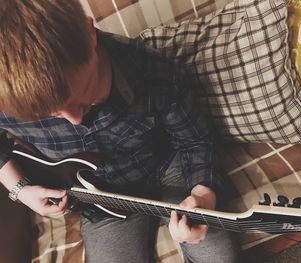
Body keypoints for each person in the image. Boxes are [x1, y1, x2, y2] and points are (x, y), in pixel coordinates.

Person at [0, 1, 238, 262]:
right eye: (53, 115)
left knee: (218, 256)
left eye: (84, 94)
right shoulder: (8, 101)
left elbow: (195, 141)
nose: (77, 119)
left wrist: (203, 194)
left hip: (168, 165)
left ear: (90, 33)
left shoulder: (151, 69)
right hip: (101, 198)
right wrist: (20, 189)